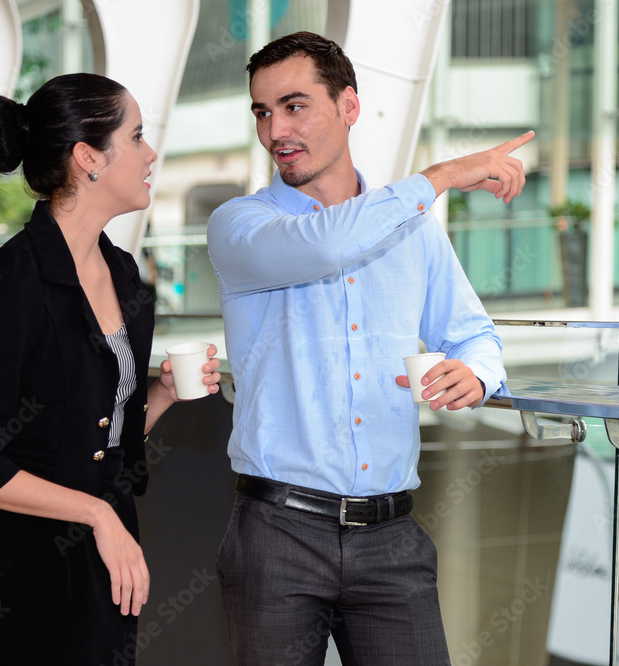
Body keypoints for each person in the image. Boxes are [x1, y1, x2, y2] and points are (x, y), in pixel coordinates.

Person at [207, 31, 532, 664]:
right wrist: (441, 176)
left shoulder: (413, 230)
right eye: (262, 111)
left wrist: (479, 373)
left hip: (392, 541)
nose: (275, 129)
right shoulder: (240, 225)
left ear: (348, 107)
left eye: (295, 105)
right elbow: (328, 245)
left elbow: (475, 333)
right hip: (277, 533)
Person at [0, 73, 221, 666]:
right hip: (20, 571)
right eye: (138, 136)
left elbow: (99, 440)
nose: (150, 154)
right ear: (89, 157)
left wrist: (161, 397)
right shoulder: (7, 280)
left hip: (105, 560)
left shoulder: (126, 279)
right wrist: (95, 514)